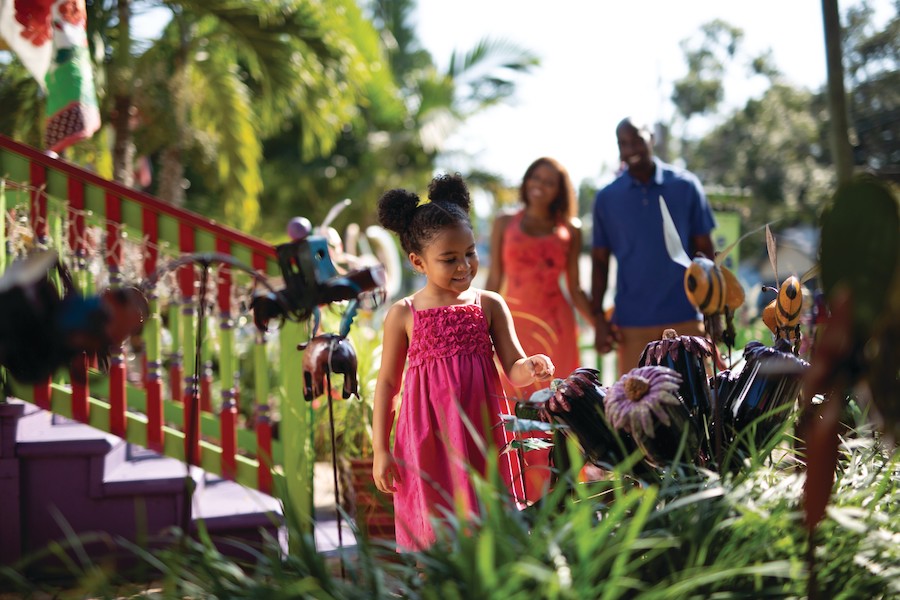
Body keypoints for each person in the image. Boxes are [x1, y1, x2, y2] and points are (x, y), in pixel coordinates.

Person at [372, 173, 555, 552]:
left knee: (490, 531)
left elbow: (514, 367)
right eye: (449, 259)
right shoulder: (403, 314)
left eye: (470, 253)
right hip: (426, 440)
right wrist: (380, 450)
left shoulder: (489, 304)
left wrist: (531, 366)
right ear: (418, 262)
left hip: (481, 435)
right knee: (433, 533)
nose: (464, 265)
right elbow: (388, 385)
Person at [484, 157, 594, 501]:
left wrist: (601, 326)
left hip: (557, 331)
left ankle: (560, 497)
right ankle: (515, 493)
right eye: (535, 177)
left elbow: (575, 288)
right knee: (512, 406)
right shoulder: (504, 222)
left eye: (549, 181)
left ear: (560, 190)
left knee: (558, 407)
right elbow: (493, 279)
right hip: (512, 326)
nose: (540, 185)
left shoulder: (571, 228)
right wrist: (477, 323)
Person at [592, 117, 716, 377]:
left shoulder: (685, 185)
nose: (630, 149)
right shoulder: (607, 198)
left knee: (694, 399)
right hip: (632, 324)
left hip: (686, 318)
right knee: (635, 400)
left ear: (652, 138)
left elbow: (705, 252)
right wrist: (599, 322)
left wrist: (712, 311)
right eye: (623, 143)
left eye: (637, 140)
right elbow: (600, 262)